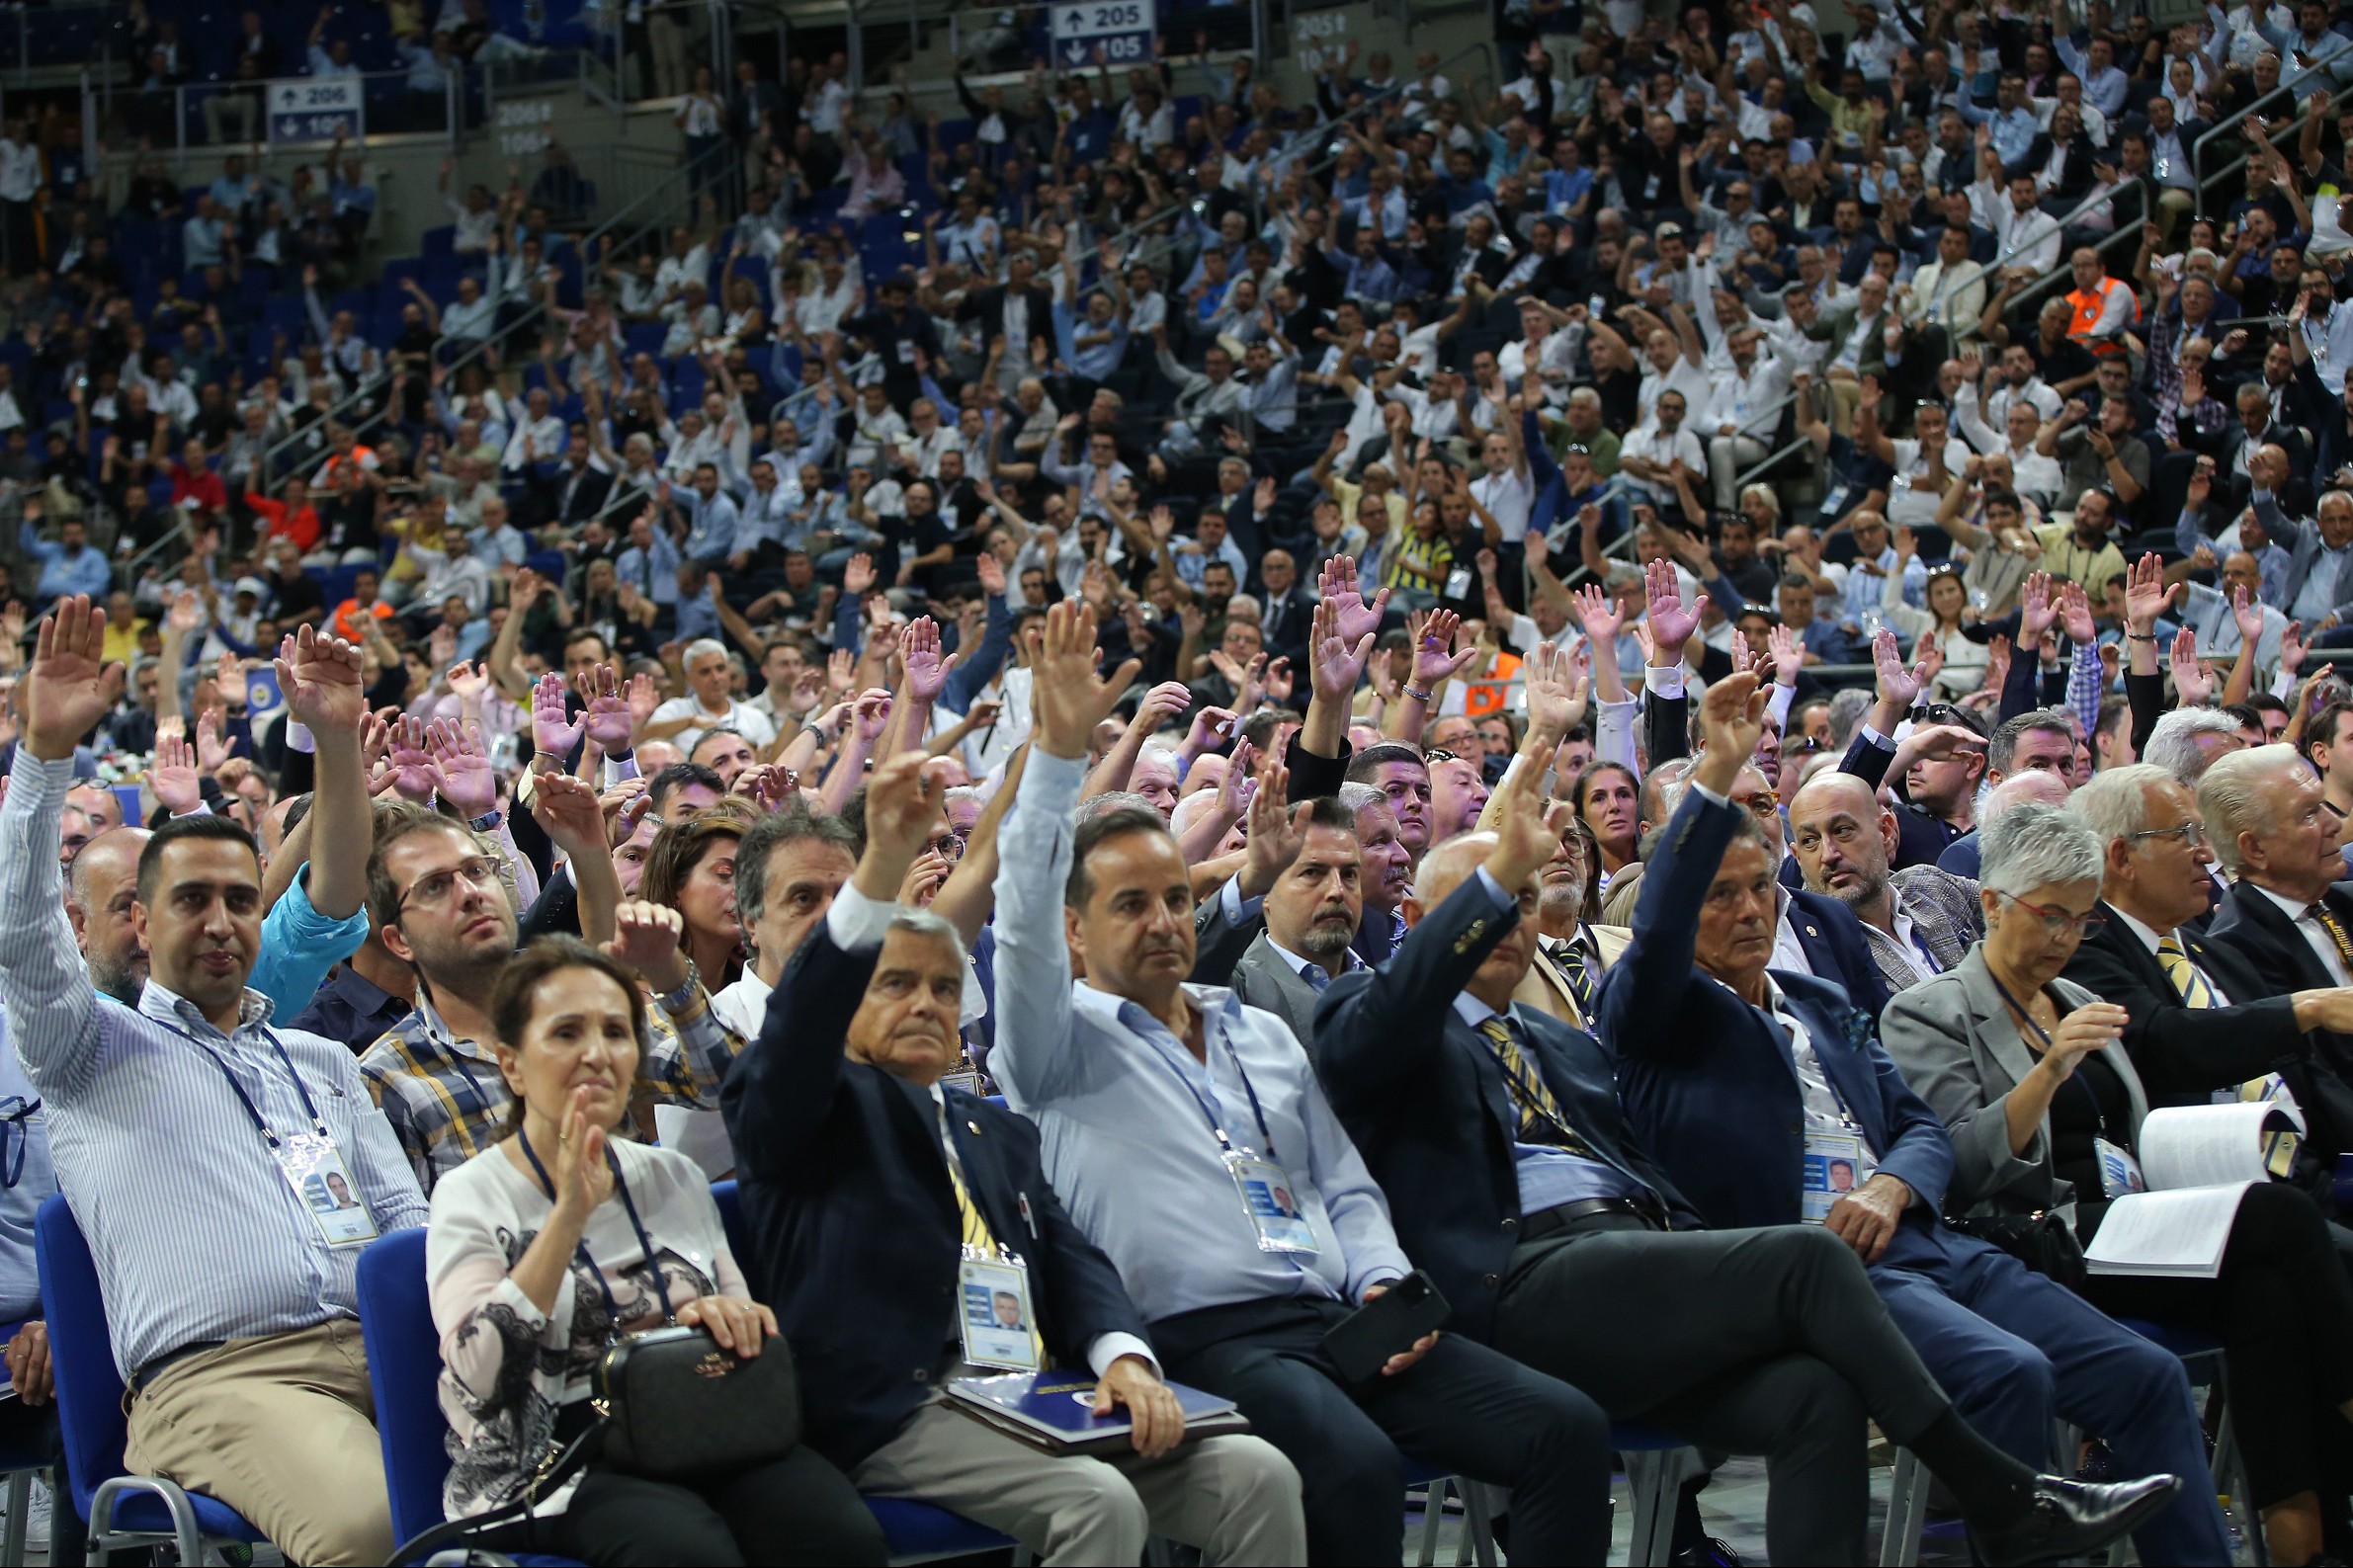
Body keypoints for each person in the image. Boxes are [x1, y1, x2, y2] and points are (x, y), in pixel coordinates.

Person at [1313, 680, 2175, 1563]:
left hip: (1632, 1277)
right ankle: (2003, 1495)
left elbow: (1654, 1179)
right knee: (1805, 1255)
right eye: (1484, 910)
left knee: (1812, 1393)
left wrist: (1720, 763)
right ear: (1421, 923)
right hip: (1510, 1286)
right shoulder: (1365, 1018)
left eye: (1521, 904)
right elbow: (1617, 945)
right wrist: (1683, 787)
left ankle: (1998, 1501)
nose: (1507, 923)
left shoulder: (1558, 1040)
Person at [991, 601, 1622, 1565]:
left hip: (1333, 1317)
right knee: (1353, 1470)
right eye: (1129, 905)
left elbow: (1341, 1186)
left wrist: (1378, 1278)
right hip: (1196, 1336)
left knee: (1565, 1428)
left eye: (1174, 898)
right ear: (1075, 933)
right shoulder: (1052, 1042)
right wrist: (1057, 759)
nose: (1162, 921)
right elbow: (1019, 911)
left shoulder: (1256, 1031)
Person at [1598, 674, 2228, 1564]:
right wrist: (1718, 767)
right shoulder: (1658, 1015)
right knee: (2009, 1372)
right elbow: (1658, 927)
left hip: (1926, 1239)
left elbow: (1919, 1126)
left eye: (1756, 889)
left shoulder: (1817, 997)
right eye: (1716, 894)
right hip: (1810, 1267)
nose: (1746, 909)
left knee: (2145, 1374)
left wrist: (1896, 1180)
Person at [722, 748, 1307, 1566]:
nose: (925, 1003)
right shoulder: (803, 1100)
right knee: (1096, 1503)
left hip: (1034, 1390)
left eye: (942, 987)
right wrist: (884, 864)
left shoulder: (992, 1127)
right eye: (894, 984)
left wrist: (1126, 1359)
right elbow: (800, 1027)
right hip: (901, 1407)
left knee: (1257, 1474)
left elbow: (1073, 1262)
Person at [0, 598, 426, 1567]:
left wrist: (333, 742)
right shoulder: (87, 1051)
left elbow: (406, 1229)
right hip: (220, 1383)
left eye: (240, 898)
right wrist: (44, 758)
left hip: (382, 1354)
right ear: (140, 925)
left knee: (591, 1480)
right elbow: (25, 937)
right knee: (375, 1530)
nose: (223, 920)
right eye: (190, 900)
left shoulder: (317, 1062)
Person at [1886, 801, 2353, 1566]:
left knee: (2265, 1290)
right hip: (2034, 1236)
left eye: (2080, 921)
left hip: (2128, 1221)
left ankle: (2298, 1531)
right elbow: (1957, 1164)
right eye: (2048, 917)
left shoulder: (2074, 999)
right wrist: (2047, 1071)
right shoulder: (1926, 1011)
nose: (2064, 939)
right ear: (1995, 903)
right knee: (2277, 1216)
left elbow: (2126, 1133)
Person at [427, 936, 886, 1565]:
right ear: (511, 1063)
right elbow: (479, 1375)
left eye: (617, 1032)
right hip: (553, 1458)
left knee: (837, 1537)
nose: (597, 1055)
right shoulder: (470, 1196)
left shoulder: (673, 1176)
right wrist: (568, 1219)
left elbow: (746, 1318)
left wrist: (730, 1322)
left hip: (696, 1420)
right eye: (566, 1034)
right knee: (687, 1554)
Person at [362, 792, 743, 1192]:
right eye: (435, 886)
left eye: (477, 870)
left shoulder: (579, 993)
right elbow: (416, 1238)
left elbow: (725, 1083)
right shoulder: (387, 1077)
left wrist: (670, 976)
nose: (470, 892)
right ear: (398, 939)